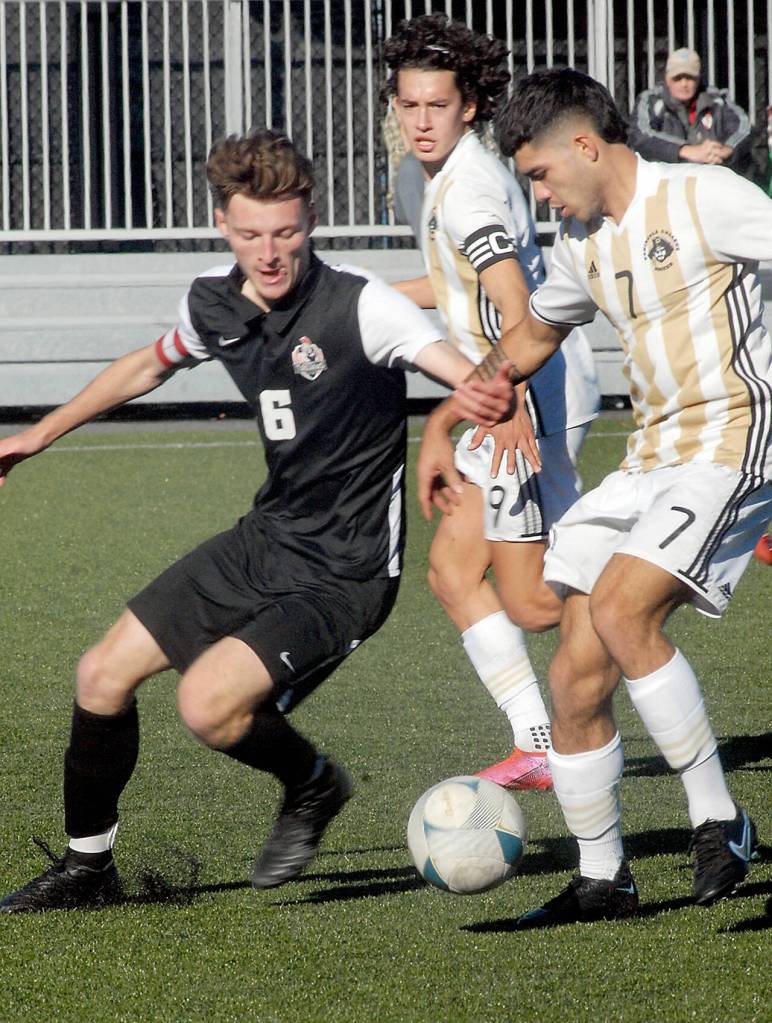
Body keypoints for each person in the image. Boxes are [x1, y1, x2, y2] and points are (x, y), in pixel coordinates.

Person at [0, 129, 511, 914]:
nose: (268, 254)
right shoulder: (213, 299)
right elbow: (148, 364)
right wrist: (37, 434)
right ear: (221, 224)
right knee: (100, 676)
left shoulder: (362, 306)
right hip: (265, 538)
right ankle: (87, 866)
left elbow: (463, 371)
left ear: (312, 220)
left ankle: (312, 784)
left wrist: (487, 401)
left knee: (207, 705)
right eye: (248, 234)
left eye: (285, 232)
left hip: (347, 570)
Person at [420, 67, 771, 925]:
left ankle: (721, 822)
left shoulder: (705, 195)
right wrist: (453, 415)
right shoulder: (585, 242)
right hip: (651, 456)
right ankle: (602, 876)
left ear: (585, 144)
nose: (538, 195)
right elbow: (535, 331)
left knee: (619, 611)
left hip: (733, 441)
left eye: (539, 175)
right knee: (575, 664)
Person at [382, 14, 599, 790]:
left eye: (436, 106)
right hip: (502, 384)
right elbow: (453, 293)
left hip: (520, 391)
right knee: (451, 570)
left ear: (469, 105)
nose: (420, 121)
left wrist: (504, 401)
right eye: (409, 106)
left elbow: (510, 299)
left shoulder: (468, 187)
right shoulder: (441, 174)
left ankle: (652, 576)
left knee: (536, 599)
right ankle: (538, 741)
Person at [629, 47, 752, 175]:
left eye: (689, 77)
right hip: (665, 179)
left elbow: (743, 129)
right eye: (678, 78)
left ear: (699, 79)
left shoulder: (717, 100)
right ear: (667, 79)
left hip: (712, 177)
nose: (684, 84)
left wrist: (726, 150)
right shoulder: (650, 100)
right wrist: (685, 151)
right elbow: (640, 136)